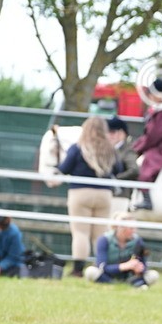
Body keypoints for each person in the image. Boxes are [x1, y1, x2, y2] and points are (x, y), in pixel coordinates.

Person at [56, 115, 122, 277]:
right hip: (104, 194)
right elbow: (118, 169)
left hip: (80, 192)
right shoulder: (110, 149)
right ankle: (101, 266)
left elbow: (64, 169)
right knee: (100, 233)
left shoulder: (78, 148)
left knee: (80, 232)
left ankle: (78, 269)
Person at [130, 77, 162, 211]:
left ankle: (147, 200)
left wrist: (138, 147)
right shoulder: (157, 109)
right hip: (156, 145)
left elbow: (154, 135)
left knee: (146, 167)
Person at [84, 212, 159, 289]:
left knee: (153, 275)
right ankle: (113, 285)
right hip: (107, 275)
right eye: (131, 228)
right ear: (120, 228)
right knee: (91, 272)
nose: (134, 231)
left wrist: (139, 269)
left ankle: (132, 284)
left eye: (134, 228)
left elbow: (143, 265)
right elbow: (102, 267)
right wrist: (124, 266)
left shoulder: (138, 241)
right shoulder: (104, 239)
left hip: (130, 276)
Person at [107, 115, 141, 183]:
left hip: (121, 191)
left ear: (122, 134)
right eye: (107, 132)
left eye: (112, 132)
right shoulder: (107, 149)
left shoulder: (128, 150)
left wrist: (115, 179)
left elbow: (134, 170)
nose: (109, 135)